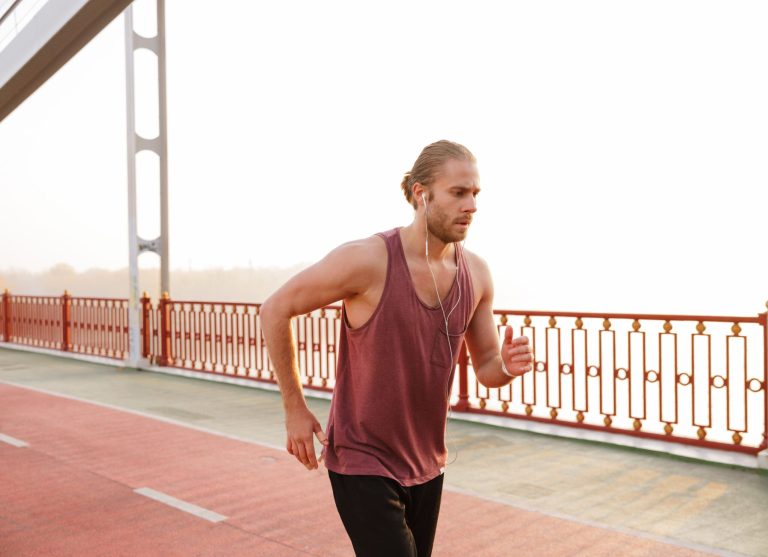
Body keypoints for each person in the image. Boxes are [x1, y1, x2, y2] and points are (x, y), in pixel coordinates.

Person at [260, 140, 534, 556]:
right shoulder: (367, 259)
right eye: (458, 193)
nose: (471, 205)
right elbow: (275, 309)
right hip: (362, 458)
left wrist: (509, 367)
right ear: (421, 194)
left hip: (427, 463)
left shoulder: (476, 273)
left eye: (475, 193)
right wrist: (293, 408)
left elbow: (487, 368)